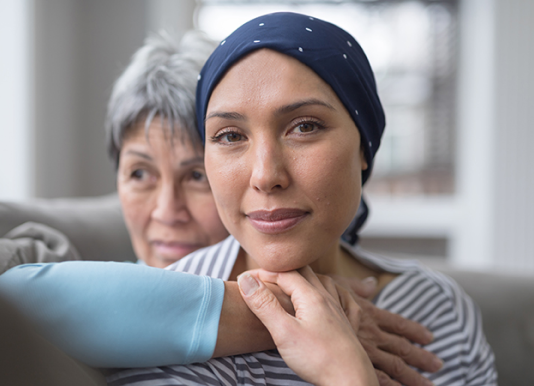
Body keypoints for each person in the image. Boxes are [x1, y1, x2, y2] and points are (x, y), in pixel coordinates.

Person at [0, 27, 452, 385]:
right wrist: (280, 313)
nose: (167, 211)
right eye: (139, 173)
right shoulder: (69, 273)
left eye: (194, 176)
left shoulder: (431, 307)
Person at [98, 12, 497, 386]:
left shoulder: (440, 308)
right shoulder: (166, 324)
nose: (265, 175)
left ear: (364, 148)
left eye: (304, 127)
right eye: (231, 136)